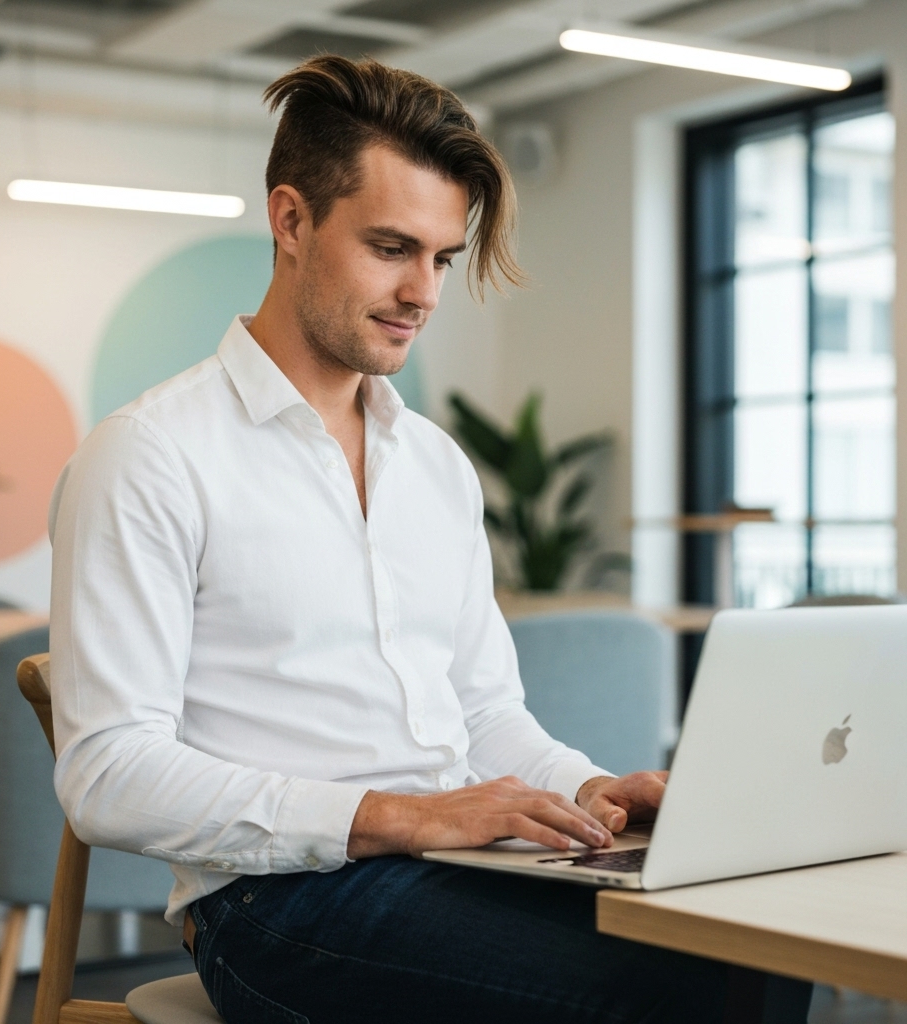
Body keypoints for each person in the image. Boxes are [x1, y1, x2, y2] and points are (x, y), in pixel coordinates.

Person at [48, 55, 811, 1024]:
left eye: (442, 257)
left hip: (455, 862)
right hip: (273, 900)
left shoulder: (437, 467)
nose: (424, 290)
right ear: (289, 220)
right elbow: (107, 773)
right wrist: (397, 815)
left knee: (756, 946)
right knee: (667, 987)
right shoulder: (149, 454)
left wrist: (588, 789)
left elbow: (487, 710)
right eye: (391, 246)